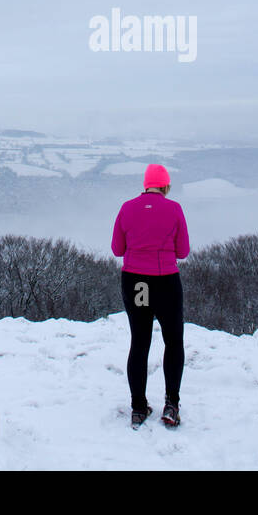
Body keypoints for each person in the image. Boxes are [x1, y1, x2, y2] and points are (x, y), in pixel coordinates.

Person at [111, 163, 189, 428]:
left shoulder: (126, 208)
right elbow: (183, 251)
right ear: (165, 185)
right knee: (174, 341)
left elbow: (117, 249)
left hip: (136, 283)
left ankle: (138, 408)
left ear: (145, 184)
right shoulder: (175, 209)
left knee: (140, 343)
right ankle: (171, 405)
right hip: (166, 281)